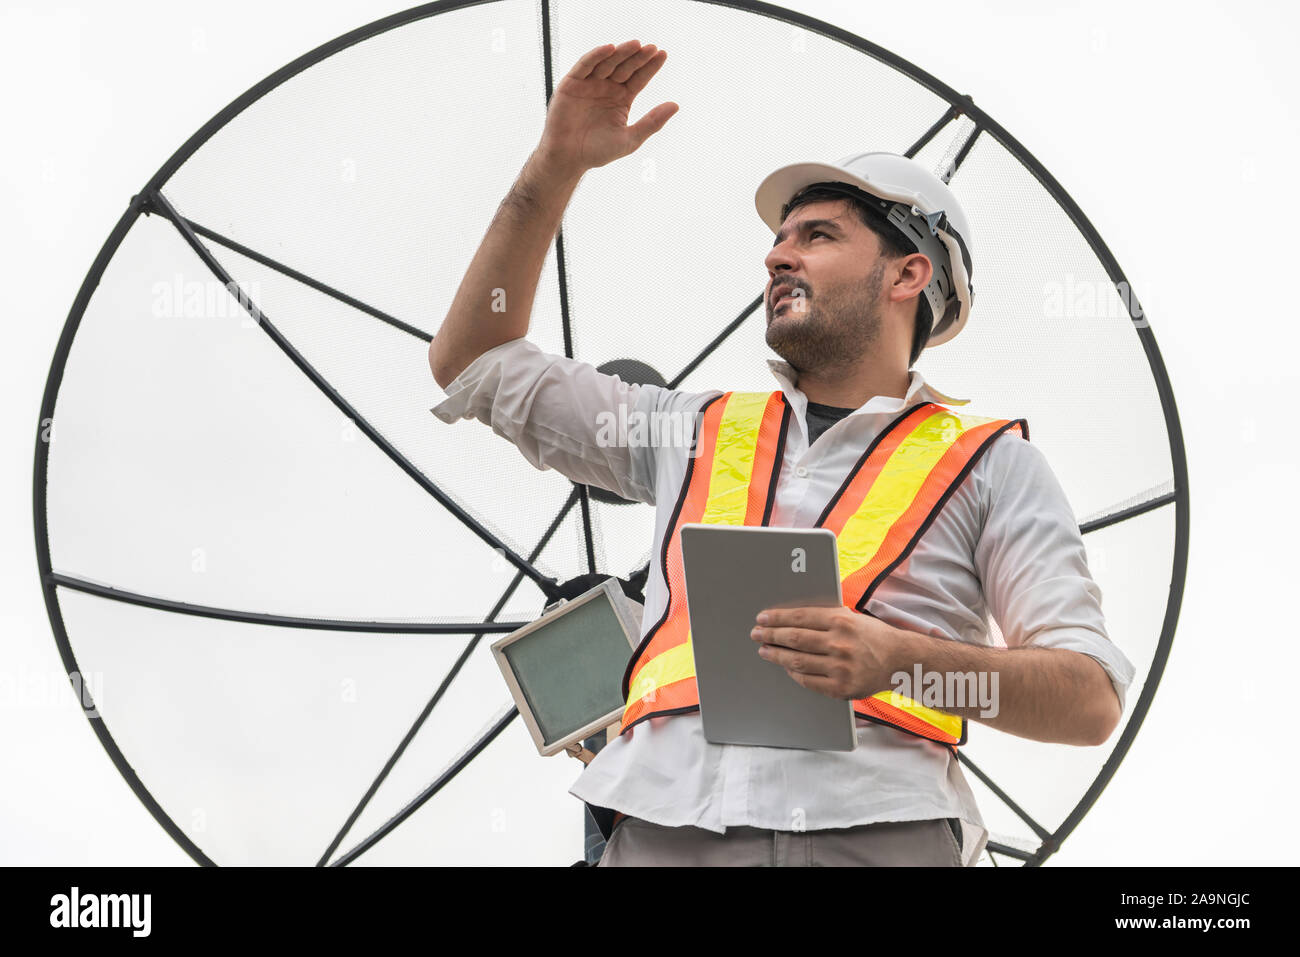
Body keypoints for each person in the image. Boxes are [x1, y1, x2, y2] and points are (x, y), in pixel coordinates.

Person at [428, 40, 1135, 866]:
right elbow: (473, 360)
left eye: (818, 235)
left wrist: (899, 662)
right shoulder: (688, 430)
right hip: (662, 825)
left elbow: (1086, 699)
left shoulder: (993, 464)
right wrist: (554, 166)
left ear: (907, 274)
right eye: (779, 239)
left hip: (880, 831)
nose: (776, 254)